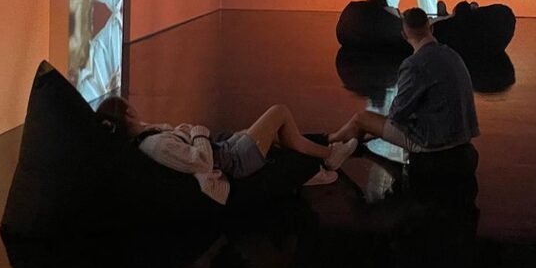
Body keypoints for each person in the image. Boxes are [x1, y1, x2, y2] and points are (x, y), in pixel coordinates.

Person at [96, 98, 359, 201]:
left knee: (276, 133)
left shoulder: (147, 137)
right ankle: (330, 156)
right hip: (233, 160)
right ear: (128, 112)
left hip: (225, 150)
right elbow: (201, 162)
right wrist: (198, 132)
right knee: (278, 112)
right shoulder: (156, 144)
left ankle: (323, 158)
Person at [329, 8, 479, 154]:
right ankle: (342, 142)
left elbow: (397, 115)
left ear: (404, 35)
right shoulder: (452, 55)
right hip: (463, 136)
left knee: (361, 119)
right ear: (431, 29)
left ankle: (328, 140)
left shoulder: (414, 65)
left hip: (433, 143)